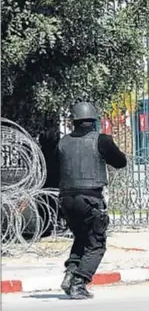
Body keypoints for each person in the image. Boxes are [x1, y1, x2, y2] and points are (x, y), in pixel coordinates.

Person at [57, 102, 127, 299]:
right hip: (91, 199)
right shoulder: (101, 140)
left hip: (67, 199)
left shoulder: (63, 142)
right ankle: (79, 282)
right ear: (94, 120)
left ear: (74, 121)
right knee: (96, 243)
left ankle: (70, 274)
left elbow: (56, 170)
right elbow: (121, 162)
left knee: (81, 237)